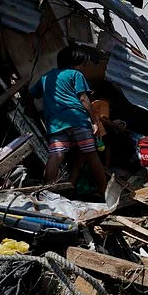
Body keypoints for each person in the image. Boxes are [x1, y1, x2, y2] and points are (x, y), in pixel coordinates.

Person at [29, 45, 107, 194]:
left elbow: (30, 96)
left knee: (56, 156)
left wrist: (30, 113)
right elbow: (83, 98)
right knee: (91, 155)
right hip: (77, 120)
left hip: (55, 124)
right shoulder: (75, 74)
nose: (84, 66)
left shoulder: (45, 77)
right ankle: (104, 190)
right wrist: (94, 122)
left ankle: (46, 192)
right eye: (83, 63)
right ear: (77, 62)